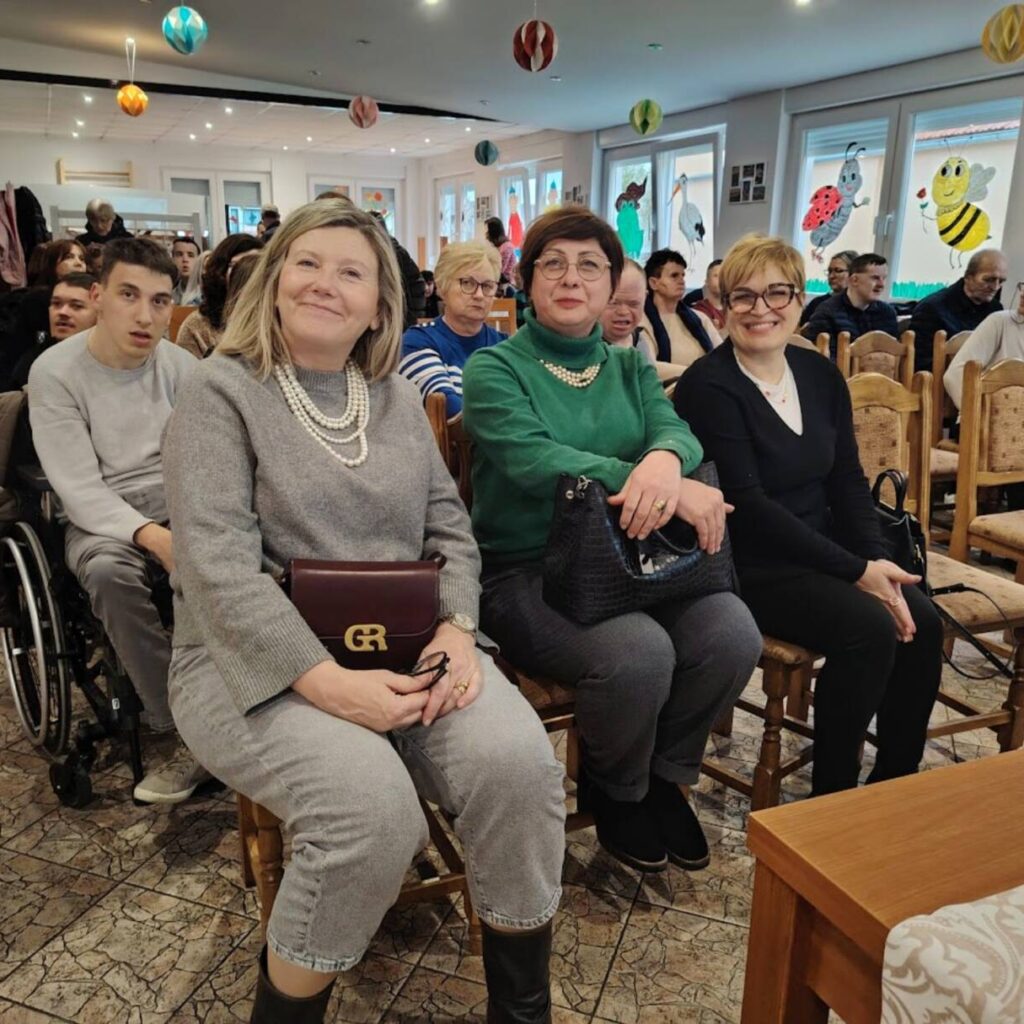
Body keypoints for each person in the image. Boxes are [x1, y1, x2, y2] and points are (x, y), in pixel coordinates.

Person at [161, 200, 564, 1023]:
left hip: (411, 640)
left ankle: (522, 1010)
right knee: (373, 815)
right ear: (275, 280)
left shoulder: (391, 396)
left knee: (520, 768)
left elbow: (450, 530)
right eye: (306, 263)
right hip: (248, 658)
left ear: (380, 305)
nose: (324, 284)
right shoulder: (218, 392)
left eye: (351, 272)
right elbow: (217, 570)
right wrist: (324, 681)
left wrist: (457, 628)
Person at [462, 207, 761, 874]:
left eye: (589, 266)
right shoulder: (494, 367)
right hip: (528, 571)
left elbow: (676, 433)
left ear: (610, 284)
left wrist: (665, 463)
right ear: (526, 280)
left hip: (636, 559)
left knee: (733, 633)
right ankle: (616, 787)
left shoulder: (629, 367)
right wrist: (653, 480)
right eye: (554, 264)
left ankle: (663, 777)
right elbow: (535, 460)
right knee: (639, 652)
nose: (572, 278)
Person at [675, 233, 942, 797]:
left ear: (799, 298)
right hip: (751, 563)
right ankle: (832, 799)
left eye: (777, 293)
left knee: (923, 622)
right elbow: (750, 508)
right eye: (743, 296)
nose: (761, 309)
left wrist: (874, 561)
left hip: (824, 551)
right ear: (722, 306)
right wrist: (857, 571)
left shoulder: (818, 373)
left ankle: (896, 782)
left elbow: (848, 479)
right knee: (869, 630)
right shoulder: (709, 385)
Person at [26, 238, 207, 803]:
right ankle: (181, 727)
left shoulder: (181, 366)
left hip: (180, 501)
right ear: (98, 296)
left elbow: (208, 458)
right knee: (109, 574)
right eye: (129, 295)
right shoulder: (56, 372)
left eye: (160, 301)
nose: (145, 315)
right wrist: (153, 537)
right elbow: (78, 488)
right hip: (101, 514)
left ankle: (248, 701)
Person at [399, 240, 506, 416]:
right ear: (442, 287)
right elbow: (448, 410)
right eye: (467, 283)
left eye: (487, 286)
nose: (479, 295)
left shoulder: (505, 345)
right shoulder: (416, 341)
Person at [909, 248, 1008, 371]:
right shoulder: (931, 309)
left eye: (1001, 281)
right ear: (968, 277)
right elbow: (920, 365)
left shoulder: (996, 310)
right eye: (989, 280)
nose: (996, 287)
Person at [641, 249, 723, 381]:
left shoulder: (700, 318)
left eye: (683, 275)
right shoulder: (642, 321)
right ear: (653, 283)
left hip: (707, 386)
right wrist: (698, 373)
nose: (681, 281)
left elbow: (723, 355)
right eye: (674, 276)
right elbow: (649, 367)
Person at [175, 234, 263, 358]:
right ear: (221, 271)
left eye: (255, 265)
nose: (245, 271)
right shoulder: (197, 326)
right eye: (235, 265)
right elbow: (186, 369)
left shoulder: (277, 321)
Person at [944, 280, 1024, 409]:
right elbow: (955, 374)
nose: (1023, 294)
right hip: (986, 416)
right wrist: (978, 415)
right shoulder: (1000, 322)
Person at [10, 272, 97, 389]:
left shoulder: (113, 363)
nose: (62, 312)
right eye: (56, 304)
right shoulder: (31, 363)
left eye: (76, 306)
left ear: (100, 314)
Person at [804, 252, 898, 357]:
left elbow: (893, 356)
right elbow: (819, 358)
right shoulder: (827, 311)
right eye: (875, 278)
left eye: (884, 278)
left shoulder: (887, 313)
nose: (881, 284)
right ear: (854, 280)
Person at [599, 258, 654, 364]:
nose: (623, 312)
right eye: (613, 303)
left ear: (644, 299)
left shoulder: (639, 340)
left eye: (633, 304)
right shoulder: (583, 347)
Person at [800, 249, 857, 325]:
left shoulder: (864, 306)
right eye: (830, 271)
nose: (831, 276)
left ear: (854, 274)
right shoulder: (817, 303)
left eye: (838, 270)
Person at [690, 259, 726, 331]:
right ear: (706, 282)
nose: (721, 279)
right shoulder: (700, 310)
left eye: (724, 276)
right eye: (716, 276)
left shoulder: (734, 309)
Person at [486, 216, 518, 285]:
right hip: (497, 281)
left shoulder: (507, 247)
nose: (486, 233)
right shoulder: (494, 246)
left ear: (493, 232)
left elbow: (500, 270)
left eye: (487, 230)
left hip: (507, 284)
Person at [170, 237, 201, 304]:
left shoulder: (208, 295)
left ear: (198, 260)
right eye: (179, 255)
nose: (185, 260)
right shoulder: (169, 297)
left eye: (190, 255)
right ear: (172, 259)